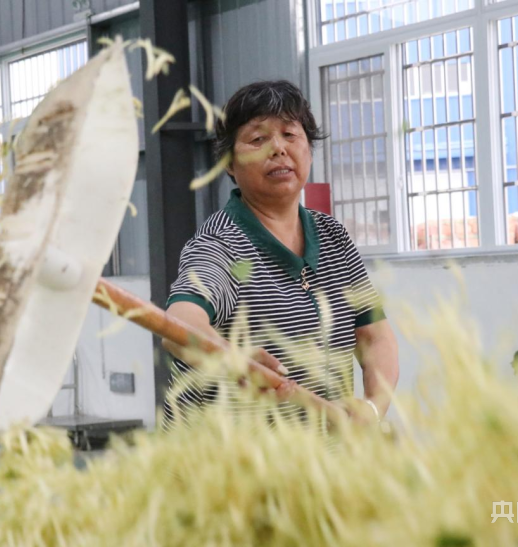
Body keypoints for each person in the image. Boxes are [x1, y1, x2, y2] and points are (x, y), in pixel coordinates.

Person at [161, 80, 399, 426]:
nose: (278, 148)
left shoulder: (334, 237)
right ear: (229, 164)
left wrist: (374, 406)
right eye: (258, 139)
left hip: (320, 465)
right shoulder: (222, 245)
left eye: (290, 135)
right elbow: (180, 323)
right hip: (226, 469)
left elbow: (374, 336)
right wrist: (229, 357)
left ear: (309, 151)